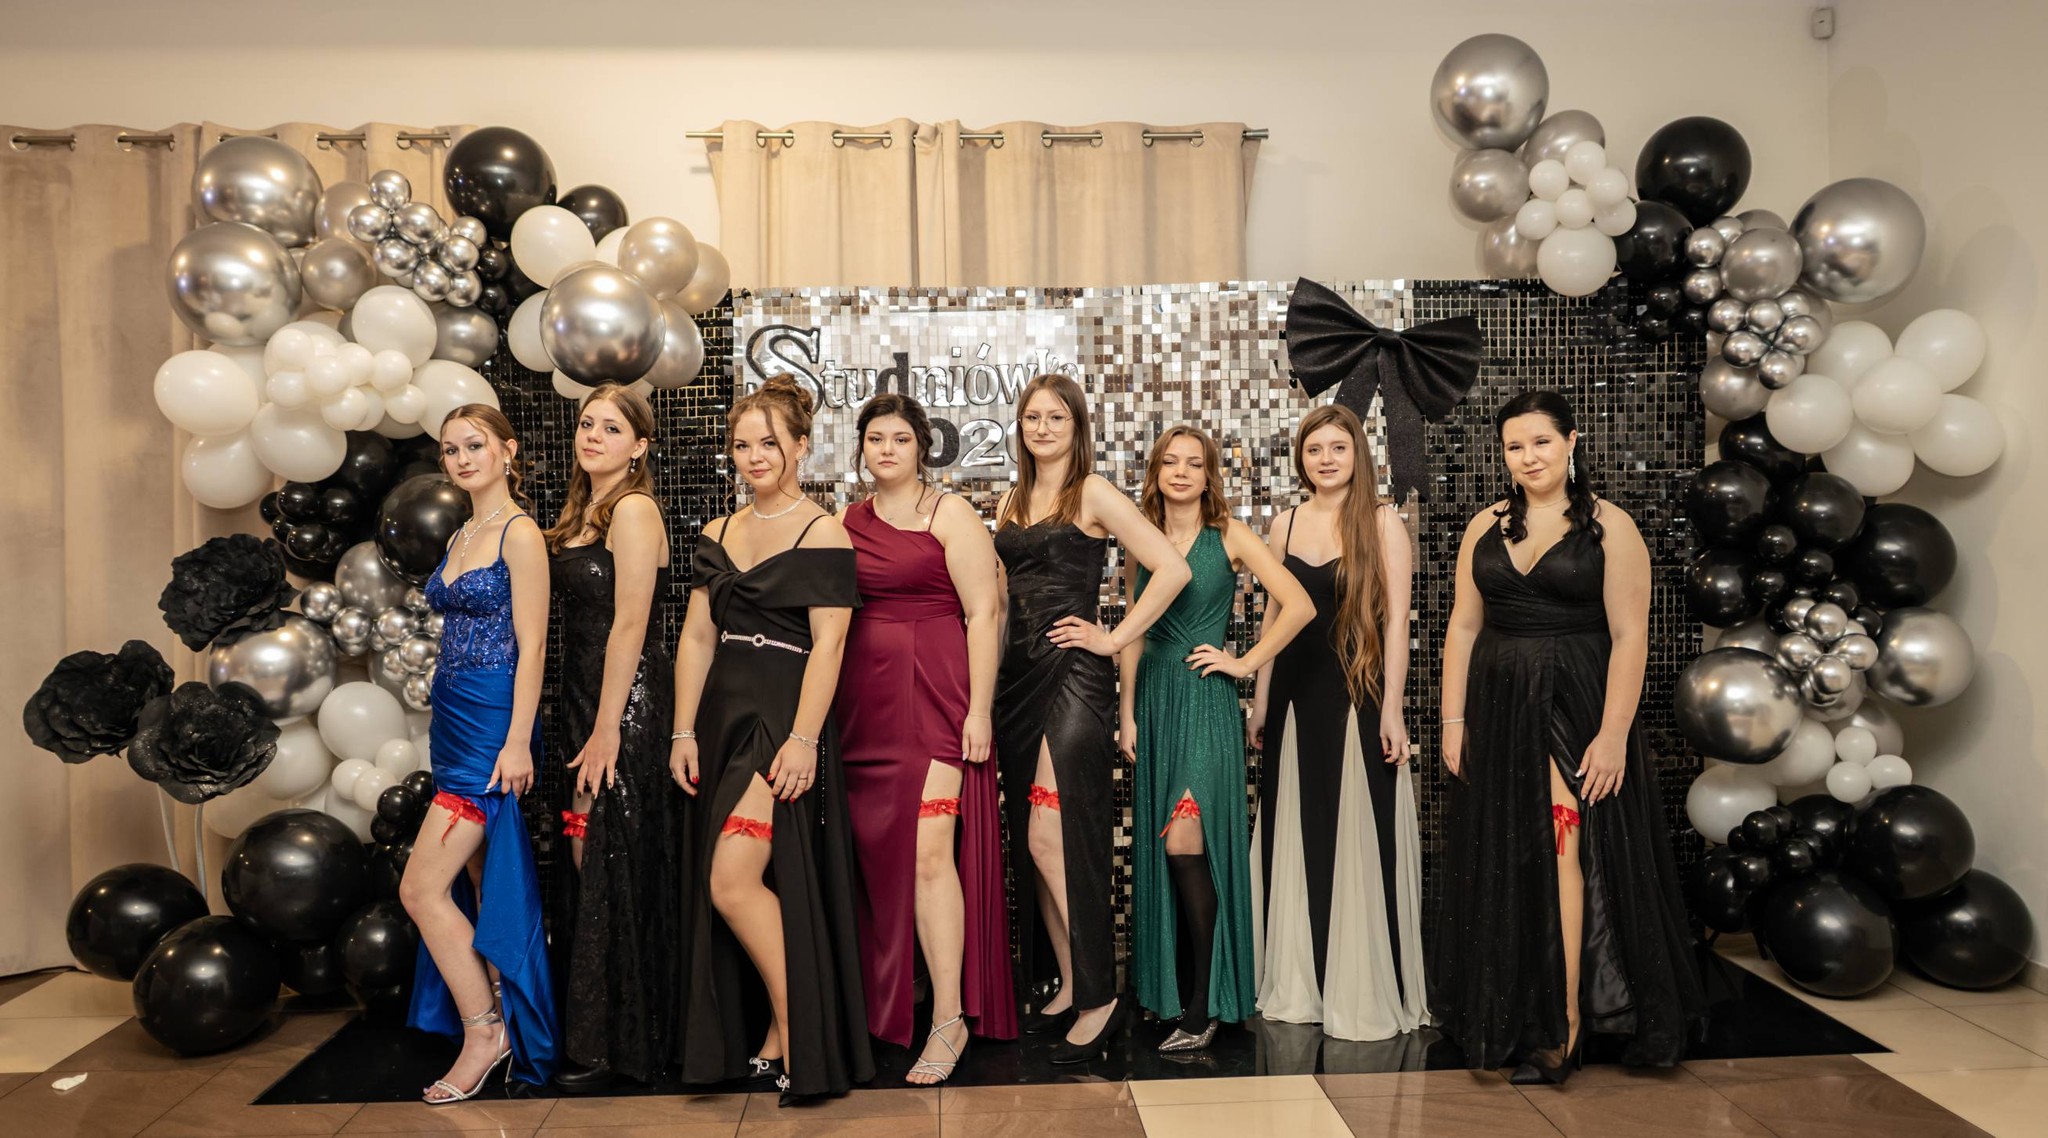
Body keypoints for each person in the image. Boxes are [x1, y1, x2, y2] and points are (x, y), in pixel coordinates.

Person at [1432, 389, 1703, 1083]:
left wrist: (1612, 735)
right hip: (1498, 708)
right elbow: (1463, 625)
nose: (1529, 457)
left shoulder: (1611, 526)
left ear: (1572, 441)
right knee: (1515, 855)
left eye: (1541, 442)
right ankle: (1523, 1009)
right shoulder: (1484, 524)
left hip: (1575, 703)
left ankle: (1567, 1022)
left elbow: (1631, 636)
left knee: (1563, 844)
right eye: (1515, 446)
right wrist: (1453, 720)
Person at [669, 376, 873, 1106]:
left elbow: (830, 644)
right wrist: (683, 729)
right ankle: (779, 1038)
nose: (754, 456)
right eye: (742, 444)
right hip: (721, 716)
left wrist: (803, 738)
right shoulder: (719, 532)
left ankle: (800, 1035)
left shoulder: (824, 532)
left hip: (781, 716)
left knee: (732, 879)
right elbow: (697, 638)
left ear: (800, 446)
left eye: (768, 442)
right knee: (736, 880)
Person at [993, 372, 1191, 1065]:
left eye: (1056, 417)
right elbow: (1000, 599)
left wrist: (1112, 638)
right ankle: (1075, 981)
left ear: (1077, 427)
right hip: (1016, 685)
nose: (1042, 428)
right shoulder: (1011, 498)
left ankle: (1101, 994)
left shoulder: (1093, 491)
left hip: (1072, 680)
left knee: (1056, 839)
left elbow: (1171, 569)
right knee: (1032, 841)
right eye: (1032, 417)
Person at [835, 393, 1016, 1085]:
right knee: (879, 857)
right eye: (875, 438)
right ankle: (893, 998)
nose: (886, 449)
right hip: (865, 708)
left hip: (938, 696)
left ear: (922, 448)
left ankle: (949, 1018)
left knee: (931, 852)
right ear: (861, 448)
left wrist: (979, 710)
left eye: (900, 439)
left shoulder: (951, 514)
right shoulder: (844, 521)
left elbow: (984, 613)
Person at [1119, 425, 1314, 1052]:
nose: (1181, 472)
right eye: (1170, 462)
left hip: (1205, 699)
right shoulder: (1141, 539)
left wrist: (1244, 662)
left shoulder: (1228, 535)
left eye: (1194, 463)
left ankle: (1205, 1003)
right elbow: (1132, 631)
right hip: (1156, 697)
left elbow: (1299, 604)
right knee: (1169, 848)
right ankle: (1174, 993)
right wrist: (1126, 711)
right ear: (1155, 472)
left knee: (1186, 837)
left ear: (1208, 476)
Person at [1249, 402, 1427, 1042]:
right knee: (1298, 831)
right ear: (1301, 458)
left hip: (1358, 692)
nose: (1325, 459)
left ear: (1358, 454)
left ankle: (1360, 985)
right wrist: (1261, 700)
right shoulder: (1284, 523)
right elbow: (1273, 620)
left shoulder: (1381, 522)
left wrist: (1394, 709)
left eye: (1338, 448)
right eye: (1314, 449)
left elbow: (1397, 622)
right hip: (1293, 697)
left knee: (1357, 833)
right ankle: (1304, 983)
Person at [402, 404, 558, 1103]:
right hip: (453, 716)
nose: (462, 459)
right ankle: (501, 1014)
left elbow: (534, 644)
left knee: (420, 889)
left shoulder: (520, 533)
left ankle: (484, 1031)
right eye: (450, 449)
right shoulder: (463, 531)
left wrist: (519, 739)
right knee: (475, 878)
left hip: (495, 721)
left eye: (475, 445)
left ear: (507, 451)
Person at [544, 383, 678, 1093]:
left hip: (625, 706)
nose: (593, 435)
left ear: (639, 446)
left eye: (611, 428)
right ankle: (604, 1032)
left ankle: (621, 1046)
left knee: (608, 854)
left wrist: (605, 730)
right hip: (582, 700)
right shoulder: (581, 512)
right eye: (587, 424)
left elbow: (631, 623)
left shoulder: (633, 508)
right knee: (584, 851)